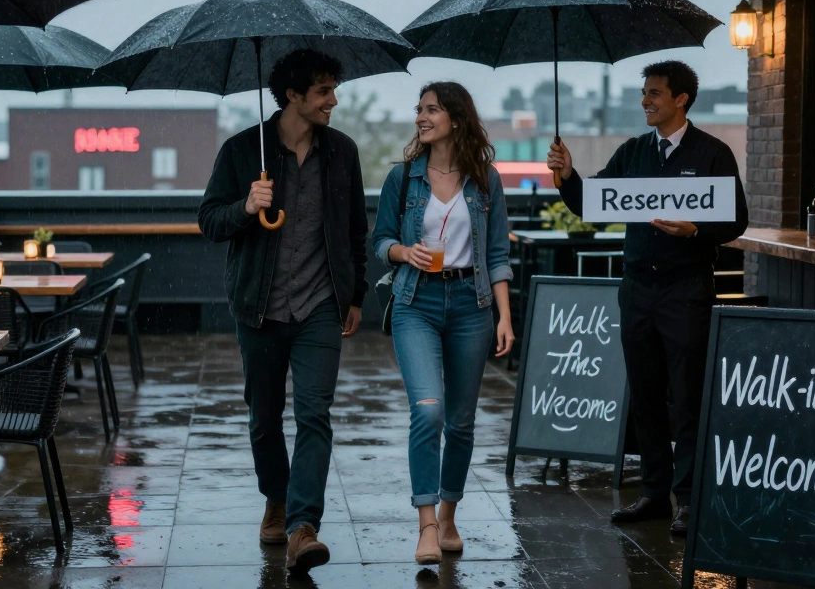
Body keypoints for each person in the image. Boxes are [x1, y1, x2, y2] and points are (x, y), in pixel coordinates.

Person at [545, 60, 748, 536]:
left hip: (686, 290)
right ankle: (654, 494)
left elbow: (737, 218)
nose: (645, 102)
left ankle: (690, 500)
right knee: (646, 395)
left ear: (681, 99)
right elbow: (592, 204)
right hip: (636, 289)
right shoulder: (634, 151)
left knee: (687, 397)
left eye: (655, 94)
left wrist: (695, 228)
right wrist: (569, 176)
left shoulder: (713, 152)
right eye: (644, 94)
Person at [197, 48, 368, 572]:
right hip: (260, 308)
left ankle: (302, 526)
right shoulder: (243, 150)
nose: (332, 101)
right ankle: (276, 496)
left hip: (320, 305)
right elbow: (208, 220)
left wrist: (356, 295)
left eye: (333, 90)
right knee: (264, 420)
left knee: (315, 415)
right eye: (323, 91)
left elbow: (356, 230)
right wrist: (246, 208)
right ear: (293, 95)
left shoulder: (342, 152)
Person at [371, 81, 515, 565]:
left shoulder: (485, 178)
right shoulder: (404, 178)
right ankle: (427, 523)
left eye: (430, 109)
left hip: (472, 306)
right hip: (417, 301)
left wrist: (504, 317)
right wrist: (401, 251)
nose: (421, 117)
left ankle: (450, 514)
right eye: (419, 109)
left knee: (461, 421)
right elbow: (379, 241)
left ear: (455, 116)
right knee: (428, 412)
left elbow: (497, 254)